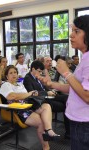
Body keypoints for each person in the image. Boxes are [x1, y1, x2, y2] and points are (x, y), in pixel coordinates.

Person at [39, 15, 89, 150]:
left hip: (84, 123)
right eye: (72, 31)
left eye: (77, 31)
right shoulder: (85, 57)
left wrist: (66, 73)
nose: (71, 35)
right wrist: (51, 84)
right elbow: (75, 87)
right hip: (80, 121)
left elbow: (87, 96)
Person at [0, 65, 60, 150]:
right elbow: (12, 96)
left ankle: (49, 130)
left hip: (29, 105)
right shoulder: (6, 85)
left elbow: (27, 96)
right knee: (41, 122)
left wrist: (32, 94)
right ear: (6, 76)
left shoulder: (20, 84)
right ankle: (46, 147)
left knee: (46, 106)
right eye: (11, 73)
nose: (14, 74)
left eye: (15, 72)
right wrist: (29, 94)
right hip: (19, 110)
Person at [23, 60, 70, 138]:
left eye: (41, 71)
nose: (40, 73)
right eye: (39, 71)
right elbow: (32, 93)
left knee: (67, 99)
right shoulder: (28, 78)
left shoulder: (37, 77)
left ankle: (70, 129)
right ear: (33, 69)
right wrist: (47, 93)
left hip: (47, 96)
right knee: (65, 106)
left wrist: (50, 91)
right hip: (41, 100)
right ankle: (68, 131)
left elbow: (44, 88)